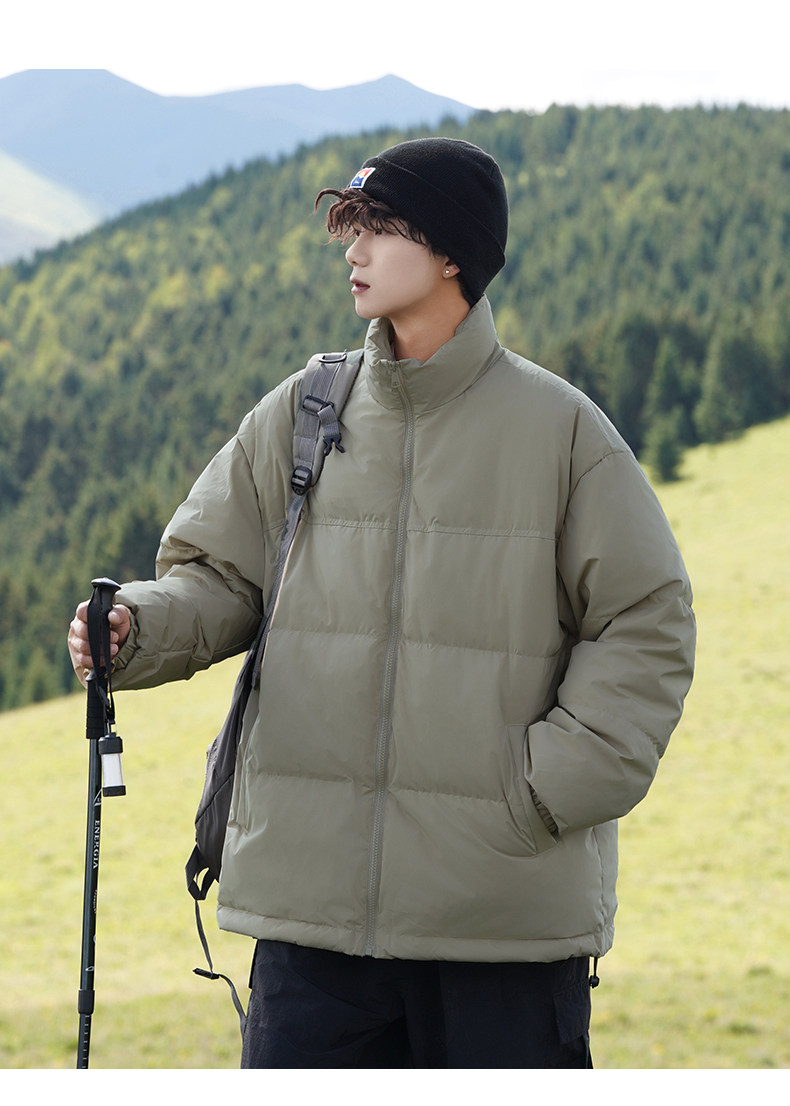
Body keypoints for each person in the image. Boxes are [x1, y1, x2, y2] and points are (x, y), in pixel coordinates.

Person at [68, 137, 696, 1068]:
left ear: (452, 254)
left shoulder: (564, 434)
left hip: (499, 933)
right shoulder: (303, 410)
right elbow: (220, 576)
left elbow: (646, 622)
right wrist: (137, 627)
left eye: (382, 228)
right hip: (310, 928)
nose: (354, 251)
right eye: (351, 228)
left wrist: (540, 793)